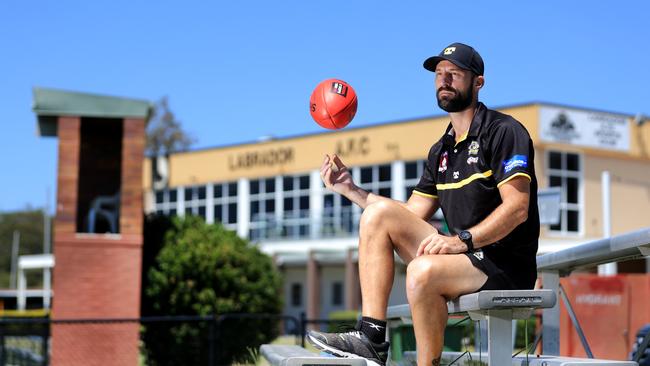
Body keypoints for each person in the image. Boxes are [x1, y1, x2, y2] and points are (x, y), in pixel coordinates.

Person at [307, 42, 540, 366]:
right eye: (439, 74)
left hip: (504, 265)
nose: (444, 80)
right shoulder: (441, 150)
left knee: (421, 271)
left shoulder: (503, 131)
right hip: (463, 259)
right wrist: (351, 190)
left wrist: (461, 241)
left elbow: (517, 209)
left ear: (478, 82)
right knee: (377, 216)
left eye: (455, 74)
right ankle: (371, 337)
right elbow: (410, 213)